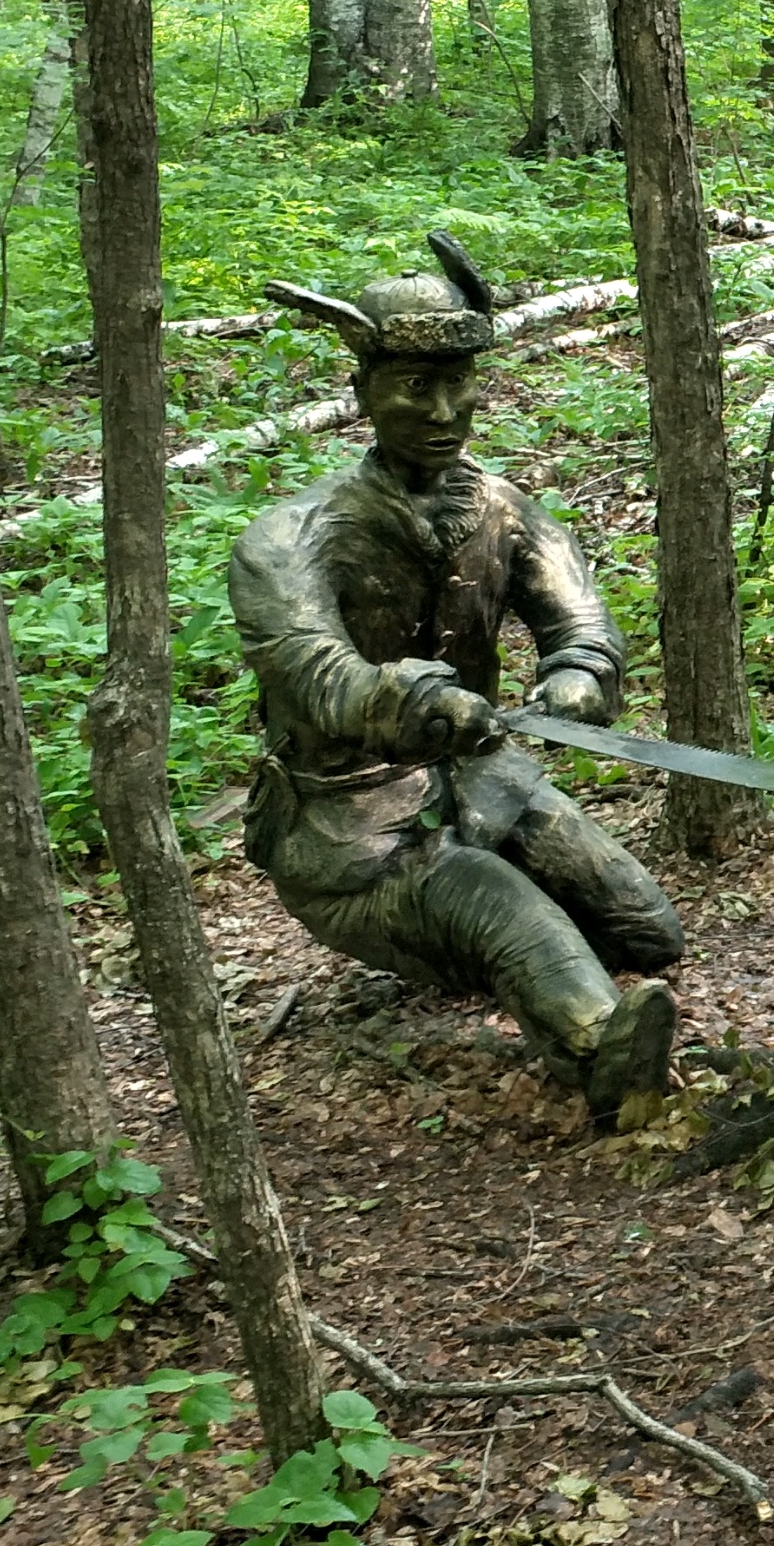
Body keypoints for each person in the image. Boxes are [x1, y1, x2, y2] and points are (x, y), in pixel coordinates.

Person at [228, 232, 682, 1120]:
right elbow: (315, 671)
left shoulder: (507, 509)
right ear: (362, 393)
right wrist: (417, 699)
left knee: (646, 931)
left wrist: (580, 674)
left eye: (455, 385)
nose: (442, 410)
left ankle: (504, 950)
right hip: (350, 821)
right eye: (412, 387)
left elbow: (580, 620)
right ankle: (594, 1049)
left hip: (487, 780)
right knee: (511, 918)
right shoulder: (290, 537)